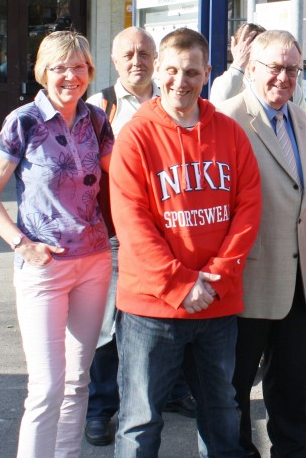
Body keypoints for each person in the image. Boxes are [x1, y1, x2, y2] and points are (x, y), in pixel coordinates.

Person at [110, 27, 262, 458]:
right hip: (151, 310)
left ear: (208, 72)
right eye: (173, 70)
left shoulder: (230, 134)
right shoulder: (136, 136)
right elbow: (131, 222)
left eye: (192, 72)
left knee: (222, 412)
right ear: (158, 70)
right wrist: (181, 284)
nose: (181, 81)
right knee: (140, 421)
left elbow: (248, 208)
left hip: (217, 303)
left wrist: (215, 276)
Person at [0, 30, 114, 458]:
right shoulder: (24, 121)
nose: (69, 76)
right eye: (59, 67)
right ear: (43, 71)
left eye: (78, 67)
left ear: (89, 71)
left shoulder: (96, 119)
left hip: (94, 263)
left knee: (78, 381)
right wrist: (22, 245)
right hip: (44, 267)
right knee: (47, 386)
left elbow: (127, 179)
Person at [84, 27, 196, 446]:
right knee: (111, 327)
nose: (138, 61)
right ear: (114, 61)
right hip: (118, 237)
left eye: (145, 53)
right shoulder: (99, 108)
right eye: (129, 54)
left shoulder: (176, 98)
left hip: (174, 235)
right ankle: (101, 409)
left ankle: (175, 392)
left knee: (176, 314)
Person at [217, 30, 306, 458]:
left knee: (290, 380)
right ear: (252, 68)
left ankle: (292, 450)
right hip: (248, 275)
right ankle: (239, 451)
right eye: (275, 67)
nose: (284, 77)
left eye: (292, 69)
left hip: (296, 276)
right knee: (236, 384)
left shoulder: (301, 118)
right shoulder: (227, 119)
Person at [209, 22, 306, 122]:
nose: (282, 77)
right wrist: (238, 65)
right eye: (247, 51)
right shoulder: (226, 83)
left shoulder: (290, 88)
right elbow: (218, 111)